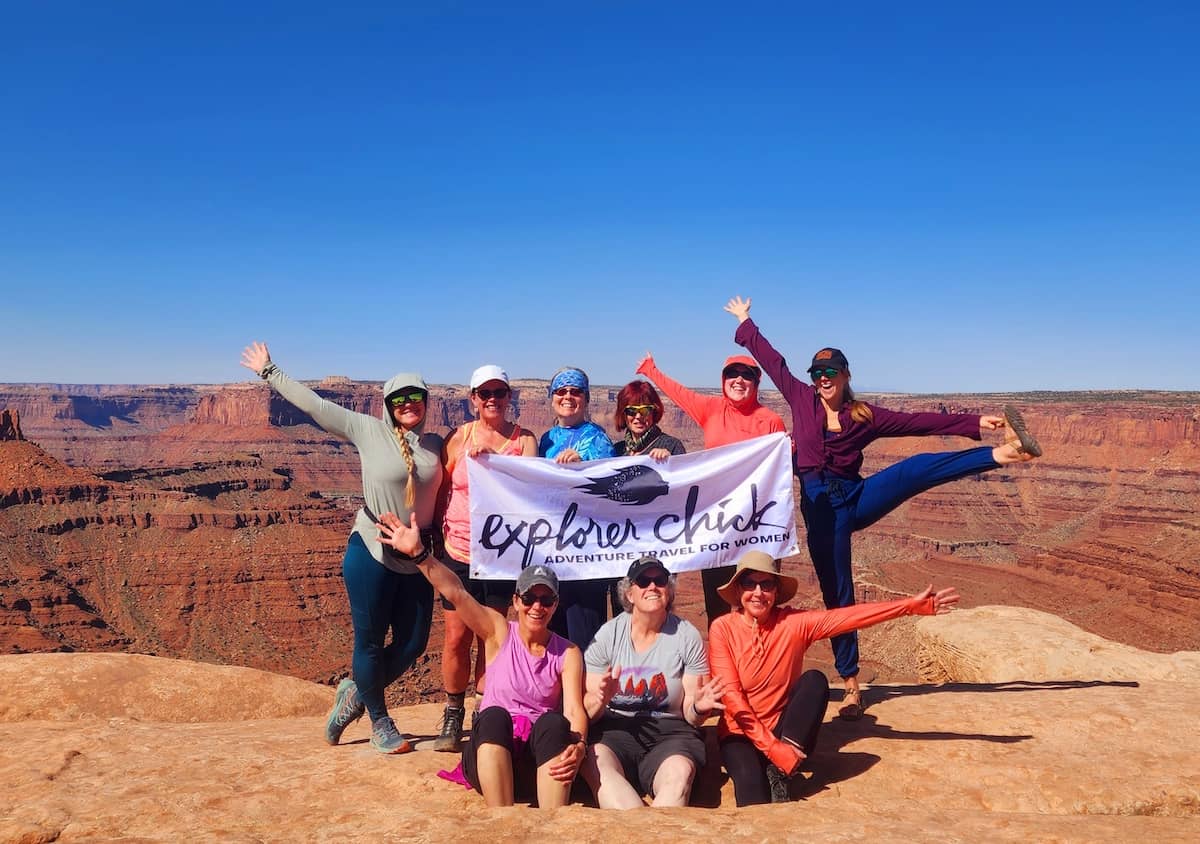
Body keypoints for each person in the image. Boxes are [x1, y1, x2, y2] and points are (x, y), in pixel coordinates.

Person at [725, 294, 1042, 719]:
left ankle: (1002, 455)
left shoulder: (863, 415)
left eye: (830, 372)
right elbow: (773, 361)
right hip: (822, 515)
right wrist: (747, 322)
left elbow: (916, 421)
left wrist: (972, 423)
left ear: (845, 374)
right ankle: (852, 686)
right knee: (840, 594)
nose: (822, 378)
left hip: (855, 499)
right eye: (817, 372)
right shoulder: (801, 399)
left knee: (914, 470)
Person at [239, 341, 442, 754]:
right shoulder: (366, 429)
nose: (408, 404)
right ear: (387, 403)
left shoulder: (437, 444)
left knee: (414, 643)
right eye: (399, 398)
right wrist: (269, 371)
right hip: (371, 551)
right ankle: (380, 722)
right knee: (368, 642)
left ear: (426, 402)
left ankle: (354, 691)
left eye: (415, 397)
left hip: (418, 557)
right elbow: (314, 406)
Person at [709, 551, 959, 806]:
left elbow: (846, 618)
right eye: (749, 583)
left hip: (782, 730)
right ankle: (778, 767)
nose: (758, 592)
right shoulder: (722, 629)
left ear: (776, 591)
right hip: (740, 734)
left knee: (815, 681)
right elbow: (732, 699)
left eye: (767, 584)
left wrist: (909, 607)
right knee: (752, 794)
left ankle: (781, 772)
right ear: (739, 589)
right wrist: (772, 749)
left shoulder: (793, 623)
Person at [377, 512, 587, 809]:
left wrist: (579, 746)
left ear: (555, 605)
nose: (536, 607)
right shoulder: (498, 631)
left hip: (534, 763)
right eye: (529, 598)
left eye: (546, 600)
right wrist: (419, 554)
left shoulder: (567, 653)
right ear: (516, 601)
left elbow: (575, 711)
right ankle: (500, 819)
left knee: (554, 722)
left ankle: (551, 824)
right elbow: (457, 593)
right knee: (492, 716)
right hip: (489, 759)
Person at [635, 351, 786, 624]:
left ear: (756, 382)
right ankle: (722, 664)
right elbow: (680, 393)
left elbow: (780, 475)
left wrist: (789, 453)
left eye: (747, 375)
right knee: (717, 606)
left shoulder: (771, 420)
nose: (738, 380)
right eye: (732, 374)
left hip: (755, 527)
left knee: (757, 604)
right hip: (715, 525)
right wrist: (651, 370)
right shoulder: (711, 409)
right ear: (723, 379)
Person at [434, 364, 538, 752]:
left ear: (510, 397)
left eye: (500, 393)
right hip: (458, 551)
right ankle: (452, 711)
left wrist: (498, 464)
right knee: (457, 637)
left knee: (492, 637)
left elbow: (533, 487)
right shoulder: (458, 438)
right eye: (485, 393)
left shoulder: (524, 440)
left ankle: (485, 711)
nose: (492, 399)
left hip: (502, 556)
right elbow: (441, 489)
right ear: (473, 398)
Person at [580, 556, 725, 809]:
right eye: (643, 581)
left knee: (679, 776)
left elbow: (691, 716)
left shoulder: (686, 635)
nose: (652, 586)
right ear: (629, 593)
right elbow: (588, 712)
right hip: (615, 732)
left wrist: (699, 708)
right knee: (596, 765)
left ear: (668, 590)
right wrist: (602, 698)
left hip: (671, 735)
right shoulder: (608, 635)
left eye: (659, 580)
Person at [538, 367, 616, 651]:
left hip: (587, 556)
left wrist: (584, 462)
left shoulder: (598, 439)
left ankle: (586, 694)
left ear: (585, 398)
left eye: (575, 391)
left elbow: (608, 485)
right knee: (552, 635)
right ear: (552, 397)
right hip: (552, 552)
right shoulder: (545, 440)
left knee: (584, 638)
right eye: (561, 391)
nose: (568, 396)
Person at [611, 380, 686, 460]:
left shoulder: (672, 446)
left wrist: (671, 461)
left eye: (645, 410)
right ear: (623, 414)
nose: (638, 416)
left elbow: (684, 471)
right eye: (632, 410)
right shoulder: (616, 451)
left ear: (654, 412)